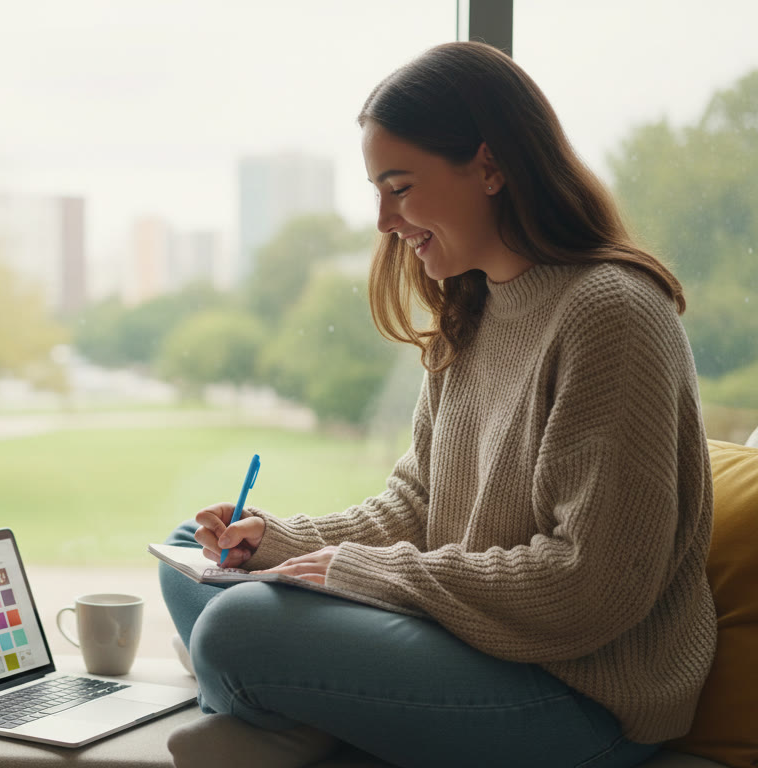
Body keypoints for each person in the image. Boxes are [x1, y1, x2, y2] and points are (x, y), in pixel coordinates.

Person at [160, 41, 716, 768]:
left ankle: (273, 709)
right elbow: (418, 506)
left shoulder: (611, 315)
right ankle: (283, 708)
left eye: (399, 186)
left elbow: (592, 587)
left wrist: (361, 573)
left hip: (582, 698)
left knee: (238, 631)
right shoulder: (474, 306)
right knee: (189, 558)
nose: (385, 221)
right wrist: (276, 540)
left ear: (490, 167)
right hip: (472, 645)